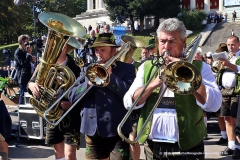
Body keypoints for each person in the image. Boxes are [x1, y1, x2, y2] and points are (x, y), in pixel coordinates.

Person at [123, 18, 222, 160]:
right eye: (162, 41)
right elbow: (128, 102)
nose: (166, 47)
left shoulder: (200, 68)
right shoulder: (146, 67)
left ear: (184, 42)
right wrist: (153, 84)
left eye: (172, 41)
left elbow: (214, 105)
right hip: (154, 147)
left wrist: (187, 73)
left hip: (189, 146)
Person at [68, 33, 136, 160]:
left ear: (114, 51)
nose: (98, 54)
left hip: (117, 128)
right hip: (92, 128)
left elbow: (131, 96)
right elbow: (72, 96)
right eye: (96, 50)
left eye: (103, 50)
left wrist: (111, 79)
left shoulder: (127, 69)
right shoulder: (87, 69)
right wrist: (89, 83)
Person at [28, 43, 81, 160]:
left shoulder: (76, 66)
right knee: (58, 154)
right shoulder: (45, 64)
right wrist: (32, 86)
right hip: (52, 116)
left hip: (70, 116)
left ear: (65, 48)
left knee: (70, 155)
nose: (53, 50)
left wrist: (72, 103)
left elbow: (83, 91)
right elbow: (31, 82)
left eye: (57, 47)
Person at [218, 36, 240, 159]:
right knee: (226, 118)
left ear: (238, 44)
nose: (230, 47)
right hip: (224, 91)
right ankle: (231, 145)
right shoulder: (227, 56)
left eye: (233, 44)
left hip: (237, 92)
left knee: (235, 119)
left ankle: (238, 147)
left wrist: (229, 64)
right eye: (228, 45)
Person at [14, 34, 33, 104]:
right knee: (23, 94)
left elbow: (27, 62)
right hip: (22, 77)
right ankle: (21, 109)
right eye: (26, 42)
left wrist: (31, 59)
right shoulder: (18, 52)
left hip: (28, 76)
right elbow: (24, 64)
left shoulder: (24, 50)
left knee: (27, 94)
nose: (28, 43)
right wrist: (28, 54)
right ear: (22, 42)